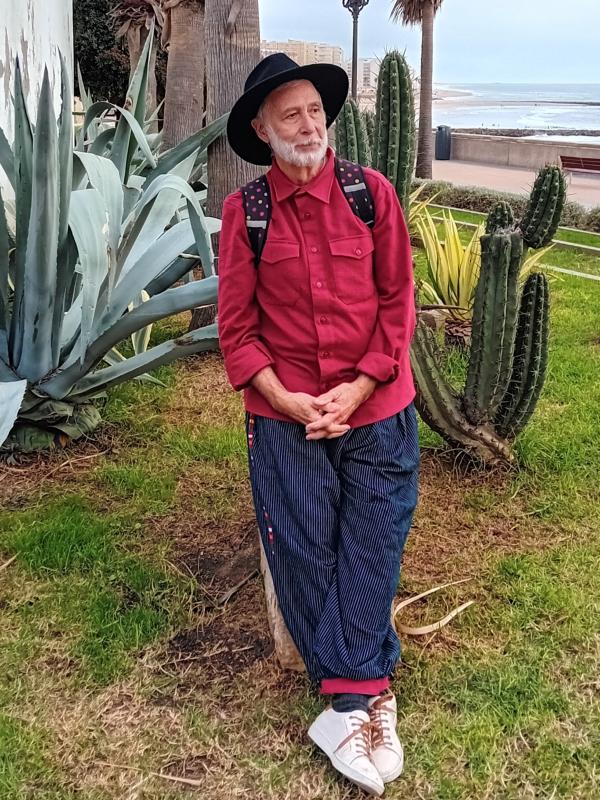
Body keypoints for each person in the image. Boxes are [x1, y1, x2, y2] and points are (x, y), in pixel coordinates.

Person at [217, 53, 420, 796]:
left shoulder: (372, 195)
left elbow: (398, 302)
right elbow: (237, 330)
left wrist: (358, 387)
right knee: (303, 547)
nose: (309, 126)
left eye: (314, 111)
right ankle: (365, 695)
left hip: (377, 405)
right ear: (262, 131)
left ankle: (346, 702)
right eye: (290, 116)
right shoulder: (246, 214)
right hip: (287, 413)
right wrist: (289, 397)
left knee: (374, 538)